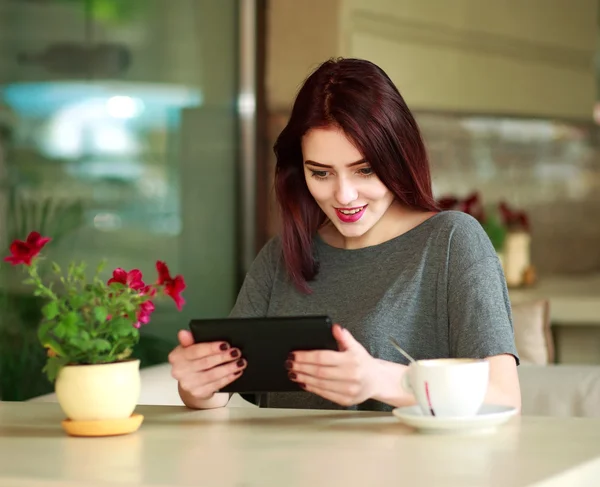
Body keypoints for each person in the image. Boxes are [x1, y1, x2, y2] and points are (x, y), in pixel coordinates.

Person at [168, 57, 521, 413]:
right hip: (281, 467)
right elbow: (218, 391)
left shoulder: (451, 242)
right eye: (321, 173)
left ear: (396, 159)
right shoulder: (281, 257)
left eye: (364, 170)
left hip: (408, 469)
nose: (344, 195)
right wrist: (198, 384)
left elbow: (503, 398)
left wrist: (382, 380)